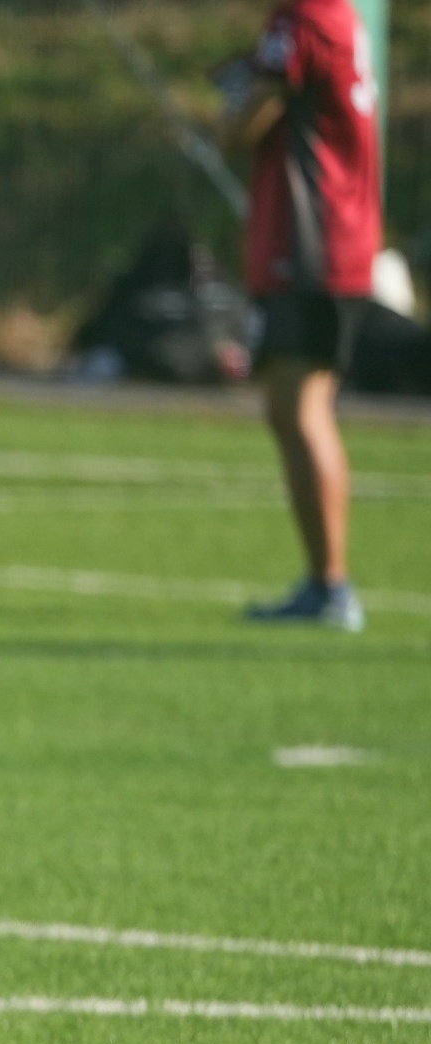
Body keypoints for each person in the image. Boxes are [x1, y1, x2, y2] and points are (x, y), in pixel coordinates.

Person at [222, 0, 381, 633]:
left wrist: (231, 105)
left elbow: (247, 121)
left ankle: (330, 586)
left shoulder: (301, 21)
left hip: (310, 243)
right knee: (297, 406)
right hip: (335, 238)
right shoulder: (337, 16)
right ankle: (326, 583)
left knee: (299, 408)